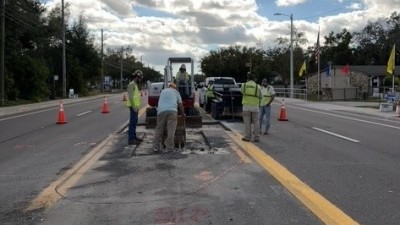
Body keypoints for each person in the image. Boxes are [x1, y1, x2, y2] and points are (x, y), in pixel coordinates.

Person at [153, 82, 185, 153]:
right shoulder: (176, 92)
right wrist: (183, 114)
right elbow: (180, 105)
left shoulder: (163, 91)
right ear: (174, 87)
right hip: (172, 111)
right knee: (171, 131)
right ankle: (169, 147)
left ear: (169, 86)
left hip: (161, 111)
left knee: (159, 129)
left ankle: (156, 146)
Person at [240, 73, 262, 142]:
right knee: (256, 122)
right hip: (255, 107)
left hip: (246, 107)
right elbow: (261, 96)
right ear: (254, 79)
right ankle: (257, 137)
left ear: (248, 78)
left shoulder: (244, 85)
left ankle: (247, 137)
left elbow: (241, 92)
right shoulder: (257, 86)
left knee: (247, 122)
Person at [126, 70, 143, 145]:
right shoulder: (132, 85)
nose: (140, 80)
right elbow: (130, 97)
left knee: (134, 122)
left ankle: (134, 137)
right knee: (132, 123)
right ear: (137, 77)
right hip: (133, 107)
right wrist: (134, 108)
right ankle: (131, 139)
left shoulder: (135, 85)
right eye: (140, 78)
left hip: (135, 107)